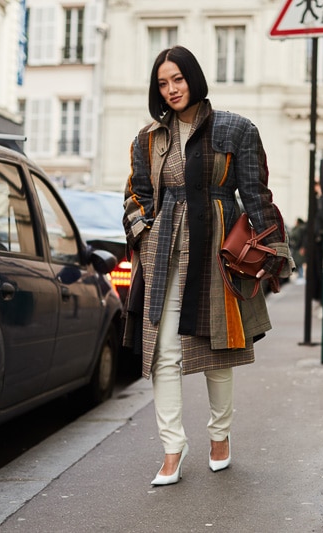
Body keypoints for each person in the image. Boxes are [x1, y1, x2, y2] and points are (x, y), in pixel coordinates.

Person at [122, 46, 293, 486]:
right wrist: (143, 231)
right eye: (163, 83)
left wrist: (274, 253)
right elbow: (137, 195)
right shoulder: (148, 139)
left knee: (217, 350)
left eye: (177, 79)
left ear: (193, 78)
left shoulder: (236, 129)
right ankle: (172, 449)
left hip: (214, 248)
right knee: (163, 350)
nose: (171, 89)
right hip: (163, 253)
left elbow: (256, 195)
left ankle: (220, 437)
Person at [289, 217, 306, 282]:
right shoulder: (298, 228)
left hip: (299, 248)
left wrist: (303, 247)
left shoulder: (301, 228)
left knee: (299, 262)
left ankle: (301, 276)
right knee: (298, 262)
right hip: (296, 248)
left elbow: (303, 238)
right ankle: (300, 276)